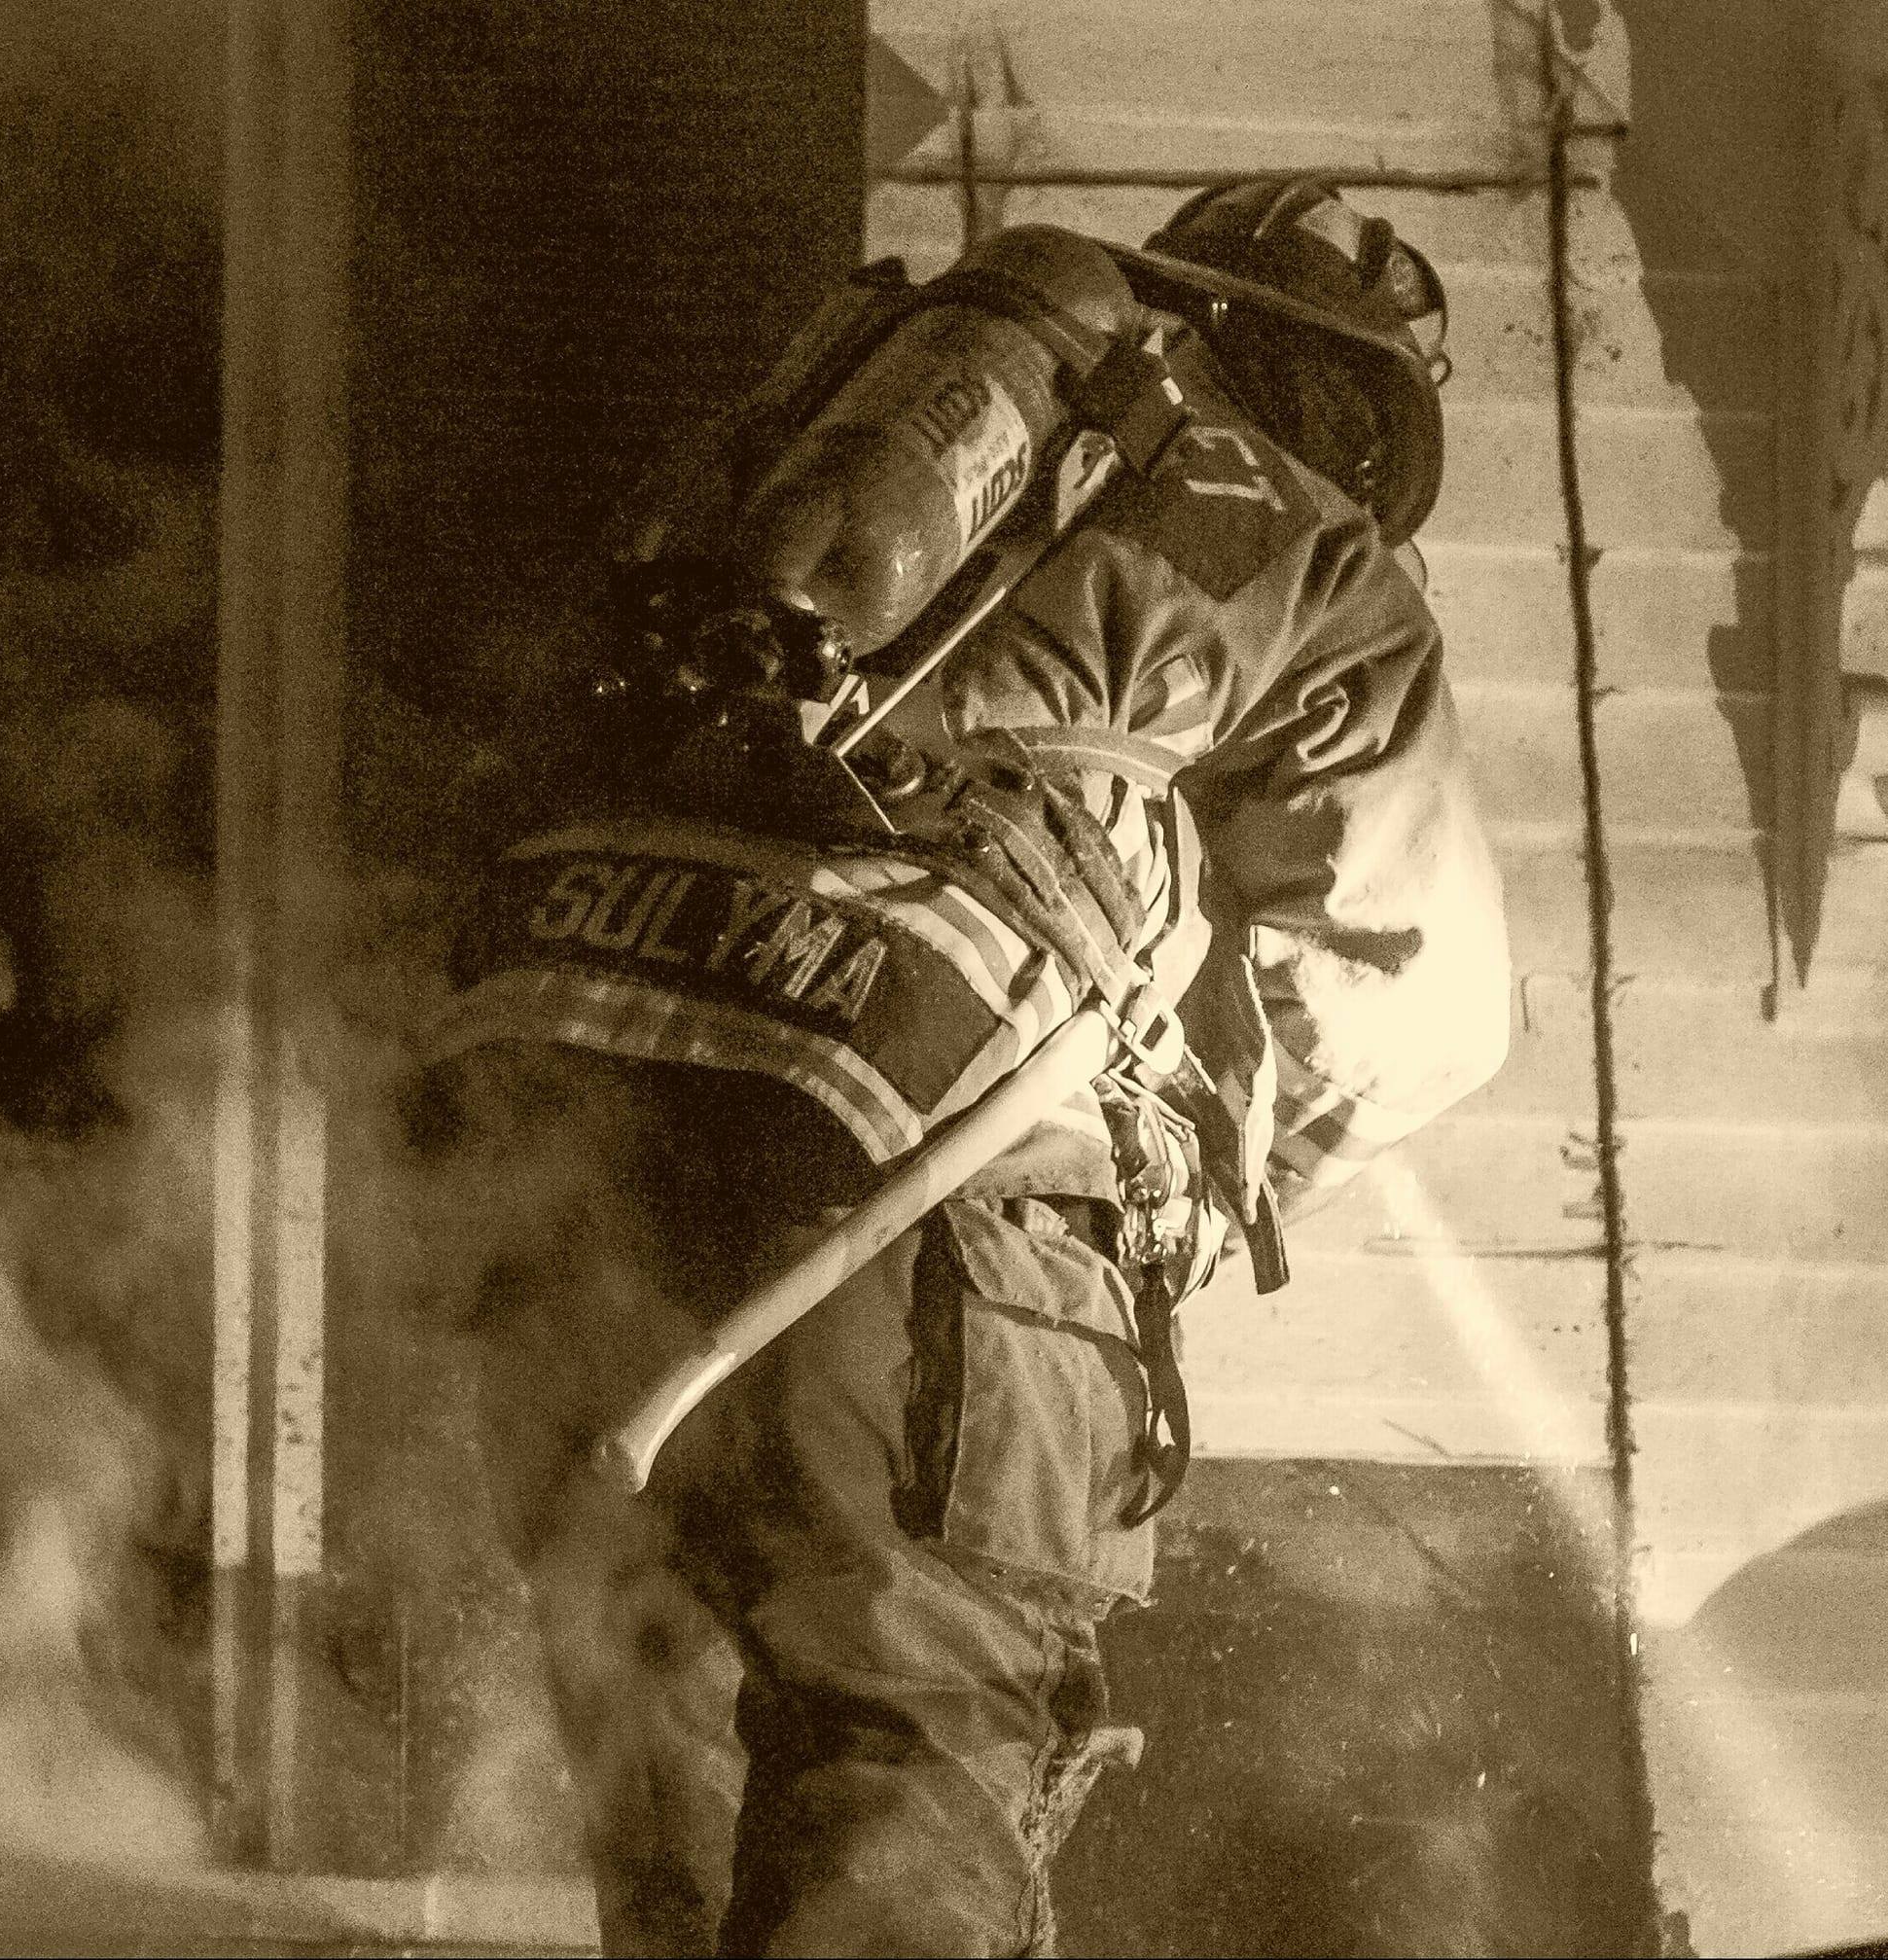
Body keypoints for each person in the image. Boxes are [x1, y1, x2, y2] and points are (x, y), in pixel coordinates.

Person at [410, 178, 1513, 1957]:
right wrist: (1216, 1179)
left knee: (660, 1755)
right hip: (908, 1182)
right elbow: (1412, 1004)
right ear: (1356, 405)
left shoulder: (783, 457)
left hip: (540, 1106)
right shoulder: (1312, 548)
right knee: (908, 1763)